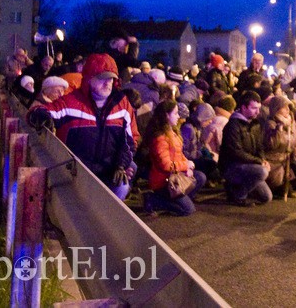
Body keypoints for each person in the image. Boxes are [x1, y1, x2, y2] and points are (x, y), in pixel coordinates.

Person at [27, 54, 139, 200]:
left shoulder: (122, 105)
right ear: (89, 79)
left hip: (109, 173)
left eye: (111, 79)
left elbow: (130, 140)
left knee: (122, 186)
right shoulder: (72, 102)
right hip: (76, 175)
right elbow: (41, 111)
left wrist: (121, 165)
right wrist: (40, 115)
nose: (107, 83)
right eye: (102, 78)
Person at [143, 100, 206, 216]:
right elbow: (166, 165)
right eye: (176, 113)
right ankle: (153, 199)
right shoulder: (160, 138)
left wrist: (187, 165)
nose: (178, 116)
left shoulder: (172, 132)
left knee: (200, 177)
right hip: (164, 181)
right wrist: (185, 166)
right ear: (167, 115)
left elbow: (178, 153)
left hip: (174, 174)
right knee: (187, 210)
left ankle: (179, 199)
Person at [219, 90, 272, 206]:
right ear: (243, 107)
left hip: (250, 164)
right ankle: (238, 196)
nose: (257, 112)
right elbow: (235, 152)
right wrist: (259, 162)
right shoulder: (233, 125)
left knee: (266, 197)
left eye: (258, 108)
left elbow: (259, 146)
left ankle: (237, 187)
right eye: (254, 108)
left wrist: (263, 160)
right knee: (262, 172)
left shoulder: (255, 124)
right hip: (232, 166)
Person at [262, 95, 296, 198]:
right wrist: (278, 129)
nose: (287, 110)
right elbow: (272, 145)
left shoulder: (292, 123)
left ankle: (289, 184)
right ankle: (274, 186)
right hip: (273, 161)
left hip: (286, 160)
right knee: (275, 189)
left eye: (288, 107)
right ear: (276, 109)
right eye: (284, 107)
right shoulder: (270, 124)